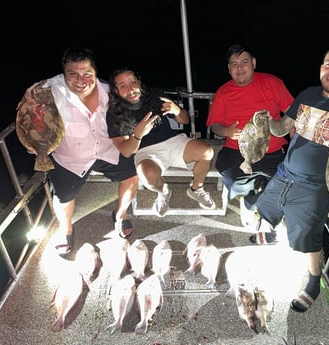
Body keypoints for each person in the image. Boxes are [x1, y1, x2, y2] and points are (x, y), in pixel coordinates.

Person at [254, 46, 329, 313]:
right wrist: (268, 120)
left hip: (318, 185)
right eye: (328, 64)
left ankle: (313, 281)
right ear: (321, 68)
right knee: (263, 208)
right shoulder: (307, 95)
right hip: (286, 172)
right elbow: (280, 129)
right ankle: (272, 234)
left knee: (306, 238)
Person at [47, 48, 139, 255]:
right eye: (73, 73)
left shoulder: (109, 90)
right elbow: (29, 105)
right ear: (63, 74)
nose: (81, 80)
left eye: (87, 73)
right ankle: (66, 229)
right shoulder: (50, 91)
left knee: (132, 176)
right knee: (63, 196)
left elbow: (137, 99)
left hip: (108, 149)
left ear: (96, 73)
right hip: (71, 157)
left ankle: (121, 215)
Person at [206, 43, 294, 232]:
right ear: (229, 69)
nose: (239, 68)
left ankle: (251, 203)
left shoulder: (272, 83)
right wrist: (227, 131)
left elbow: (292, 115)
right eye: (234, 64)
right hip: (238, 150)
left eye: (244, 62)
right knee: (231, 177)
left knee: (290, 182)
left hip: (273, 150)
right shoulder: (223, 92)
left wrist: (295, 145)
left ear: (253, 63)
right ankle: (255, 190)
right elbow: (215, 125)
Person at [106, 68, 216, 217]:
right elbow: (126, 151)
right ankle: (163, 191)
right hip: (146, 152)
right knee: (148, 177)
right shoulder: (114, 113)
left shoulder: (155, 95)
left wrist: (177, 110)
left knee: (207, 151)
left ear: (139, 82)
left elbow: (184, 120)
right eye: (123, 85)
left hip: (173, 141)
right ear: (116, 91)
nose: (131, 89)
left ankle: (196, 189)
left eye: (133, 82)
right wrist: (137, 135)